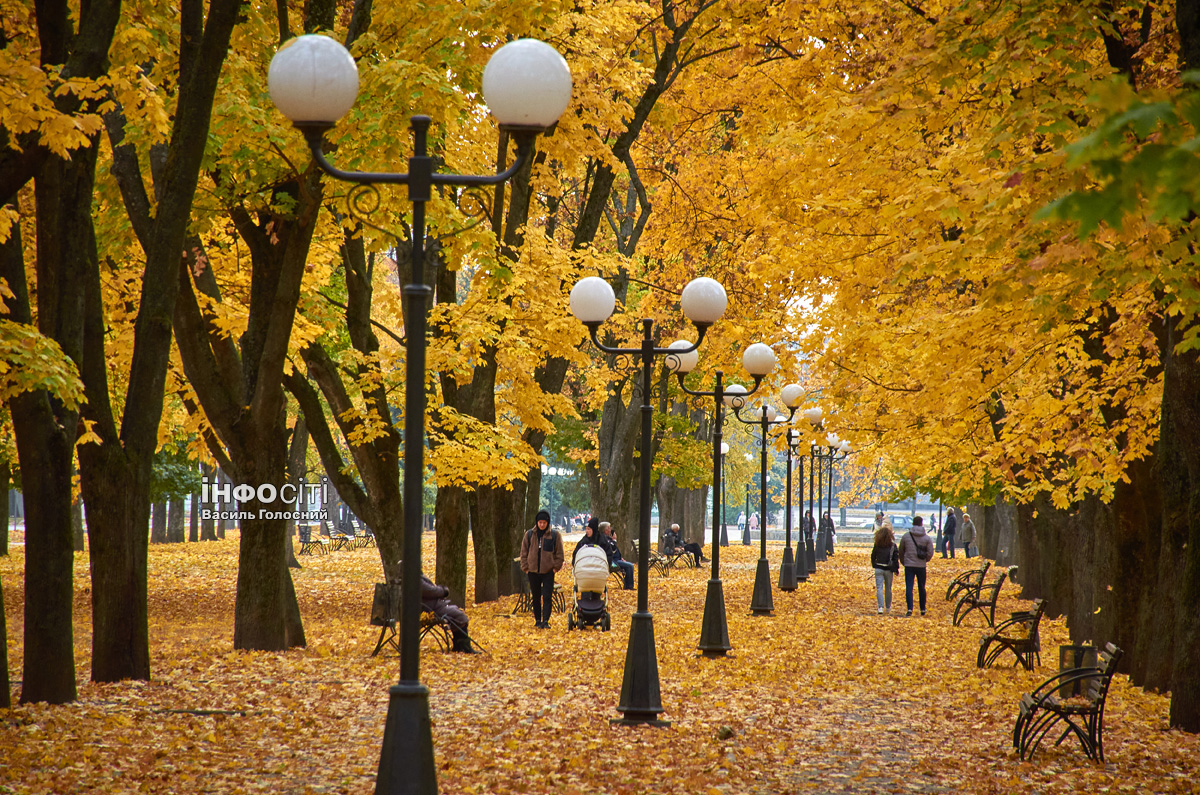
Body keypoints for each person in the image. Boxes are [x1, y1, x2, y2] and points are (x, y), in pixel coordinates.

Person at [520, 509, 564, 629]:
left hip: (548, 572)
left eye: (544, 522)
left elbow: (559, 554)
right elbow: (523, 552)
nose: (542, 524)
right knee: (535, 597)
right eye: (540, 522)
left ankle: (546, 620)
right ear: (537, 522)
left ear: (547, 522)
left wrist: (555, 568)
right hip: (533, 571)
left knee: (547, 596)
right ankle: (538, 620)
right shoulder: (529, 534)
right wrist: (526, 568)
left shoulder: (554, 535)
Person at [420, 575, 478, 653]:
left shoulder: (413, 577)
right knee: (459, 615)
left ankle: (459, 646)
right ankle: (464, 647)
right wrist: (443, 590)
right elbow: (430, 591)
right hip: (431, 610)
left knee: (455, 610)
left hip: (431, 608)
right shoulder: (415, 579)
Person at [899, 515, 935, 616]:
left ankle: (910, 608)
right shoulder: (926, 538)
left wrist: (904, 561)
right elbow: (930, 552)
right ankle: (922, 608)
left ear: (913, 523)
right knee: (922, 587)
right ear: (921, 523)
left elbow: (901, 550)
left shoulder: (906, 536)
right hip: (921, 565)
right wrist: (925, 560)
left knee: (909, 587)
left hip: (909, 565)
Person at [870, 521, 900, 614]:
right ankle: (888, 607)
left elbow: (873, 555)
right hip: (888, 569)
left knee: (879, 588)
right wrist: (896, 569)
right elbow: (896, 558)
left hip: (879, 567)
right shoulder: (892, 546)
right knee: (888, 588)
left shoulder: (877, 545)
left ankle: (880, 607)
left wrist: (874, 564)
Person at [600, 522, 635, 589]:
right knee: (630, 566)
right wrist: (614, 540)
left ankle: (628, 585)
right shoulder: (604, 539)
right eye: (609, 528)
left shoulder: (607, 538)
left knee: (629, 565)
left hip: (616, 560)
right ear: (606, 530)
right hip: (612, 562)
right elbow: (612, 549)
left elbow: (614, 551)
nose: (610, 530)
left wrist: (620, 557)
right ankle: (629, 586)